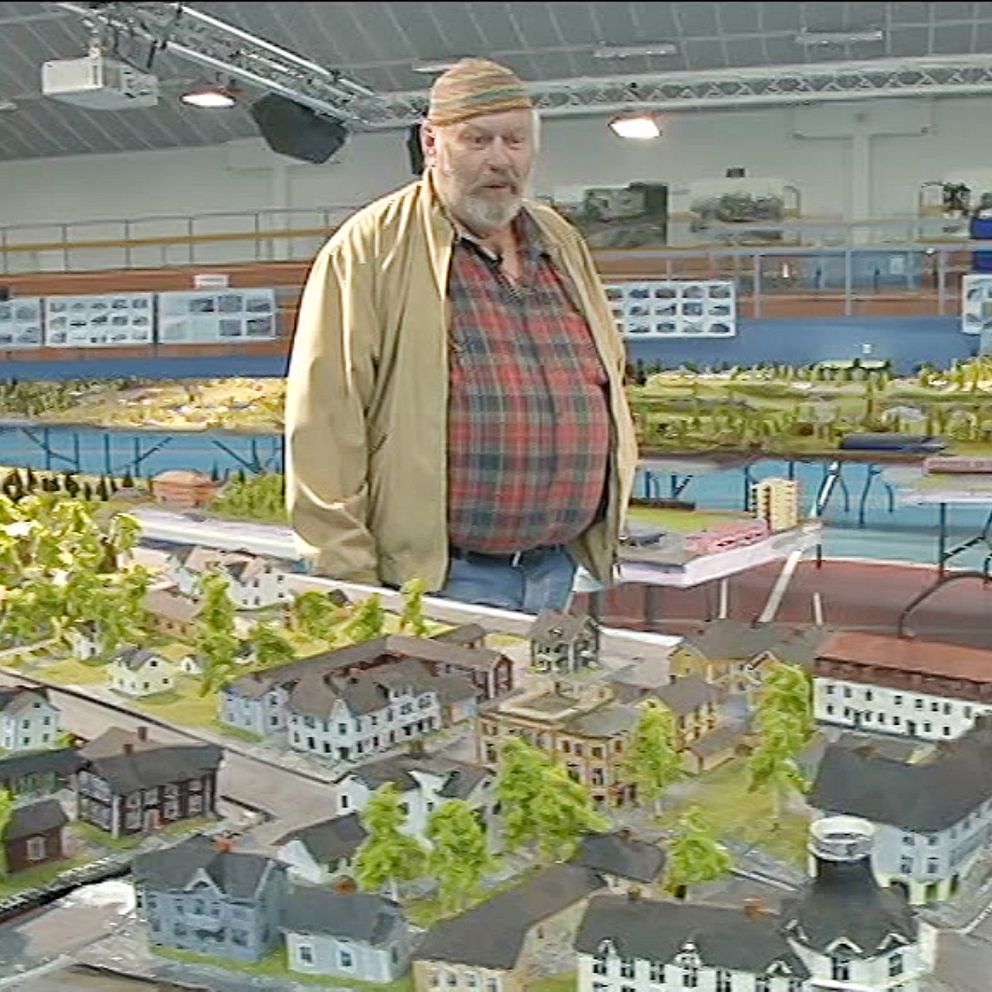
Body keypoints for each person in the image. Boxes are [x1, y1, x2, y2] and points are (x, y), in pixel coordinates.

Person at [285, 58, 636, 613]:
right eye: (477, 140)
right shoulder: (370, 247)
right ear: (432, 143)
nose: (499, 159)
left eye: (515, 140)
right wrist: (346, 575)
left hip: (556, 566)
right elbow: (326, 418)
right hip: (439, 578)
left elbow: (606, 373)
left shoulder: (560, 241)